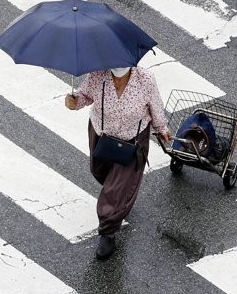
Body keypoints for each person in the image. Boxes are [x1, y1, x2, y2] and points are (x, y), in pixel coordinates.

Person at [65, 65, 171, 259]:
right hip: (102, 136)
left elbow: (155, 105)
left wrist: (162, 128)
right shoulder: (97, 74)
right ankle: (121, 202)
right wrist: (75, 102)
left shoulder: (145, 79)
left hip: (132, 142)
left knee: (115, 191)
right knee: (99, 172)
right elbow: (86, 95)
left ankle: (108, 231)